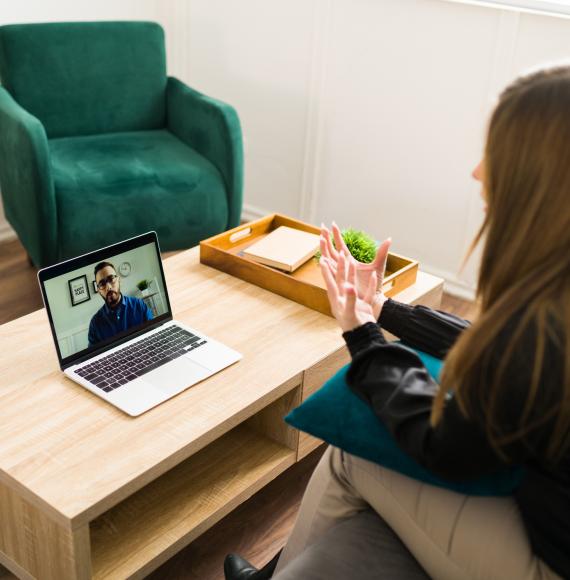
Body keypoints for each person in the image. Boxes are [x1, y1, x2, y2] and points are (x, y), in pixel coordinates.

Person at [224, 65, 569, 580]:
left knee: (355, 454)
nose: (477, 172)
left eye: (494, 154)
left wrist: (362, 334)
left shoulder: (544, 321)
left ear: (535, 178)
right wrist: (385, 309)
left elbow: (443, 443)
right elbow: (495, 349)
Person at [88, 262, 153, 347]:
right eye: (102, 284)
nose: (108, 287)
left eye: (111, 279)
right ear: (99, 290)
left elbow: (153, 334)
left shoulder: (139, 305)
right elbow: (93, 356)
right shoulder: (95, 324)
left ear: (119, 280)